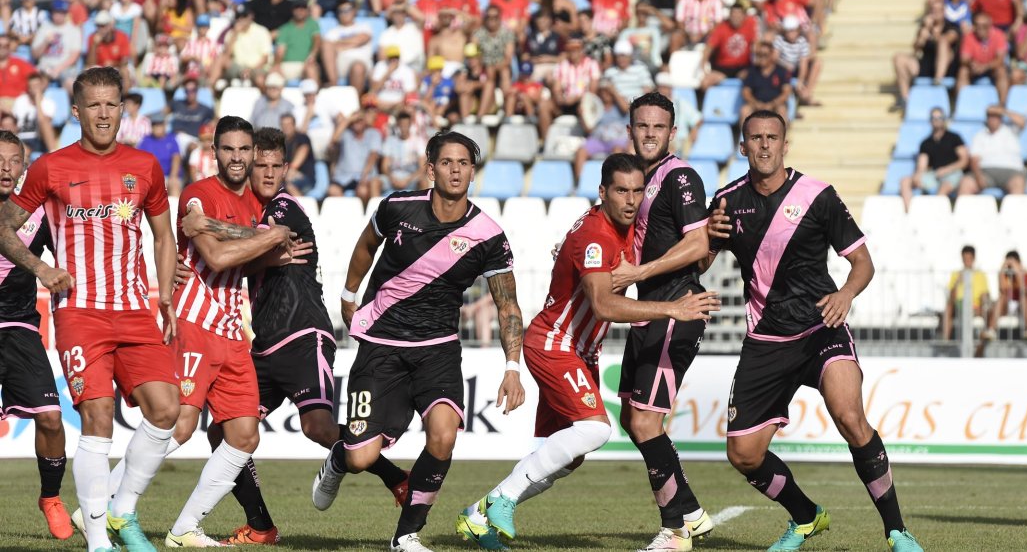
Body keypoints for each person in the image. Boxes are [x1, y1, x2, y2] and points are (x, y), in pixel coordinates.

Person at [457, 153, 720, 552]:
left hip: (581, 350)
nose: (630, 200)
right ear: (603, 192)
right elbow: (603, 305)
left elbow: (686, 251)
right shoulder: (596, 235)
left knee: (566, 455)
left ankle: (479, 514)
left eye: (636, 191)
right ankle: (503, 500)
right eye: (620, 191)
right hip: (554, 343)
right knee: (596, 429)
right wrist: (672, 308)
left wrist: (713, 238)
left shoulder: (622, 227)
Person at [177, 126, 410, 543]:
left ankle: (396, 478)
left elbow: (259, 244)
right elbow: (248, 256)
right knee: (222, 432)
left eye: (274, 166)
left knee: (318, 429)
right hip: (263, 345)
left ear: (286, 169)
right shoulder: (249, 211)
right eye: (259, 165)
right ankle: (261, 525)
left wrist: (209, 231)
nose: (267, 173)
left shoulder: (284, 210)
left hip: (303, 335)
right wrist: (206, 259)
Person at [704, 111, 924, 552]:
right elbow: (699, 263)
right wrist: (706, 238)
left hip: (821, 325)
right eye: (755, 138)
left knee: (849, 416)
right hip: (766, 338)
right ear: (742, 146)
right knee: (743, 454)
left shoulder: (817, 196)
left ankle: (897, 531)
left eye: (772, 138)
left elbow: (863, 263)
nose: (764, 145)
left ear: (785, 145)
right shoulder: (726, 200)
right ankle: (806, 517)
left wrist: (845, 295)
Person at [312, 131, 527, 552]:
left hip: (438, 350)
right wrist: (349, 294)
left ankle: (405, 535)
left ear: (472, 170)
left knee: (444, 435)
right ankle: (339, 458)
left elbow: (509, 307)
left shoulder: (488, 235)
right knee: (362, 457)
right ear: (431, 168)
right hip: (380, 346)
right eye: (447, 162)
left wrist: (512, 367)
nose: (455, 170)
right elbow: (365, 245)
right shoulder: (397, 207)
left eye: (464, 163)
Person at [0, 66, 181, 552]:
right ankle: (99, 541)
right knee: (97, 417)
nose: (104, 114)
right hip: (79, 313)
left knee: (168, 411)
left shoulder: (145, 166)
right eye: (94, 105)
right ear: (76, 111)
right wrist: (41, 268)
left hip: (135, 311)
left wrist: (165, 295)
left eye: (112, 104)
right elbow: (2, 225)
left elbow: (164, 237)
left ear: (124, 109)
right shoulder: (49, 168)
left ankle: (120, 512)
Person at [141, 115, 299, 547]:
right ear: (214, 152)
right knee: (180, 424)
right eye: (228, 149)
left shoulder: (255, 203)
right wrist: (270, 241)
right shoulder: (198, 194)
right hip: (194, 321)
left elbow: (249, 253)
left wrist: (271, 246)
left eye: (244, 150)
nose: (237, 157)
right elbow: (216, 258)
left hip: (232, 330)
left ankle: (184, 529)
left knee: (245, 436)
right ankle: (106, 506)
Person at [613, 92, 720, 549]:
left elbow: (698, 246)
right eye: (642, 126)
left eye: (659, 127)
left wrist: (640, 273)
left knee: (644, 424)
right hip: (651, 310)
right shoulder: (637, 180)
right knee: (630, 416)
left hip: (677, 308)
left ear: (672, 132)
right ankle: (691, 511)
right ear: (631, 129)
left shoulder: (680, 178)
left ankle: (675, 529)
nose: (650, 133)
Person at [0, 130, 72, 541]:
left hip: (19, 327)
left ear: (25, 168)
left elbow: (72, 255)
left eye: (14, 160)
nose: (6, 167)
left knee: (50, 418)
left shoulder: (38, 214)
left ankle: (50, 497)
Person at [899, 108, 968, 208]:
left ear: (944, 119)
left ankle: (936, 214)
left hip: (953, 173)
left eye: (939, 117)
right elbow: (922, 165)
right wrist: (918, 175)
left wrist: (946, 170)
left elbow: (964, 160)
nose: (936, 120)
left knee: (944, 187)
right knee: (905, 181)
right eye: (933, 117)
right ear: (930, 120)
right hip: (935, 175)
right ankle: (910, 212)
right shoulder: (925, 143)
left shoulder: (954, 138)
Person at [959, 106, 1027, 196]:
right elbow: (974, 159)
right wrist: (978, 178)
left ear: (1001, 118)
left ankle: (1014, 210)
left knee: (1018, 183)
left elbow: (1022, 121)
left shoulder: (1011, 130)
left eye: (996, 116)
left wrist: (1003, 111)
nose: (993, 119)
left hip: (1011, 173)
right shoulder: (980, 135)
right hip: (986, 173)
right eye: (990, 116)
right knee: (966, 182)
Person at [956, 11, 1010, 105]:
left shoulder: (999, 35)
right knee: (963, 71)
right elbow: (964, 58)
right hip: (974, 67)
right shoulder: (969, 36)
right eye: (977, 25)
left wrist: (985, 67)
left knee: (1001, 71)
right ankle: (962, 104)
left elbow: (1000, 59)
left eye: (984, 26)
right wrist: (972, 64)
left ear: (990, 25)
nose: (980, 29)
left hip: (992, 67)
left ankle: (1002, 105)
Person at [329, 109, 383, 203]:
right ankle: (348, 213)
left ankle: (365, 215)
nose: (357, 123)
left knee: (363, 191)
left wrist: (364, 176)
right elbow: (334, 139)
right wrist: (349, 119)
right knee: (332, 191)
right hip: (344, 177)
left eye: (360, 120)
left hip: (363, 177)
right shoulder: (346, 134)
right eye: (354, 121)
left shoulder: (373, 133)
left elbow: (373, 156)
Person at [942, 244, 991, 342]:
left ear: (974, 258)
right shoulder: (956, 274)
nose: (967, 261)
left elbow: (985, 295)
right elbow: (951, 298)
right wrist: (956, 284)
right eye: (965, 259)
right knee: (948, 307)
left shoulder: (981, 275)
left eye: (969, 258)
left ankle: (984, 339)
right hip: (959, 306)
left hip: (976, 307)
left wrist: (983, 299)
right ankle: (945, 341)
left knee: (988, 310)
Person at [741, 42, 794, 122]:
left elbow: (786, 92)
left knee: (781, 110)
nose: (762, 58)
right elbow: (746, 92)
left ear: (771, 55)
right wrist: (756, 103)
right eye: (759, 55)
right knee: (745, 110)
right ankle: (745, 134)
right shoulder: (752, 71)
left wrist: (772, 104)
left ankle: (783, 134)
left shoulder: (781, 71)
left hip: (776, 105)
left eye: (765, 55)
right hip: (756, 105)